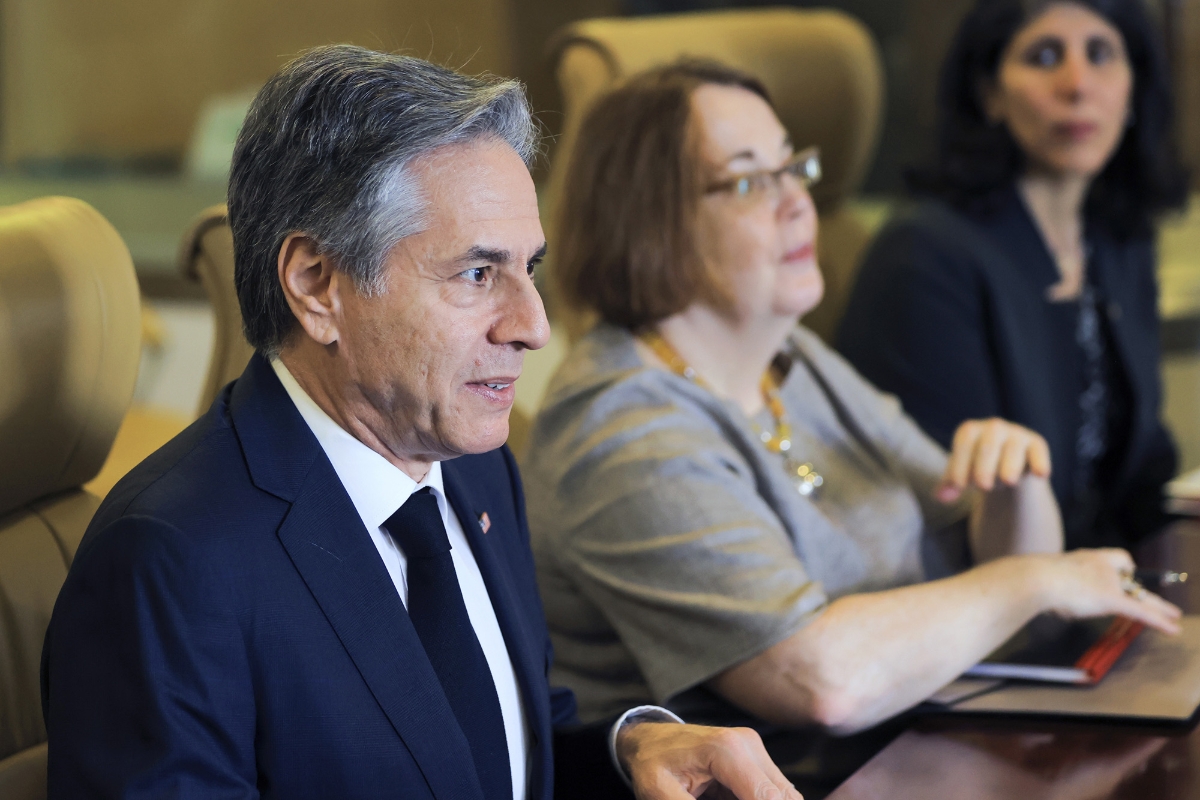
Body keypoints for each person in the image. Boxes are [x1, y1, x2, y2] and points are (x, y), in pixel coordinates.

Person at [40, 46, 802, 800]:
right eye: (478, 274)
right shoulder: (170, 564)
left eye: (528, 269)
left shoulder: (473, 465)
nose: (533, 326)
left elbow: (500, 748)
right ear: (317, 285)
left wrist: (633, 743)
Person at [521, 60, 1181, 789]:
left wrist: (1013, 491)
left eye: (793, 167)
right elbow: (818, 681)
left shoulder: (789, 360)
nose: (798, 203)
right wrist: (1035, 579)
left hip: (902, 757)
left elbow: (1008, 582)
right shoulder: (621, 424)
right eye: (748, 181)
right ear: (643, 217)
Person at [837, 0, 1189, 550]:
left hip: (1105, 581)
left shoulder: (1116, 239)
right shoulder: (924, 256)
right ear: (990, 94)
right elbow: (952, 510)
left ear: (1134, 89)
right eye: (1044, 56)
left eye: (1102, 55)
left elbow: (1140, 467)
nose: (1077, 84)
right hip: (997, 603)